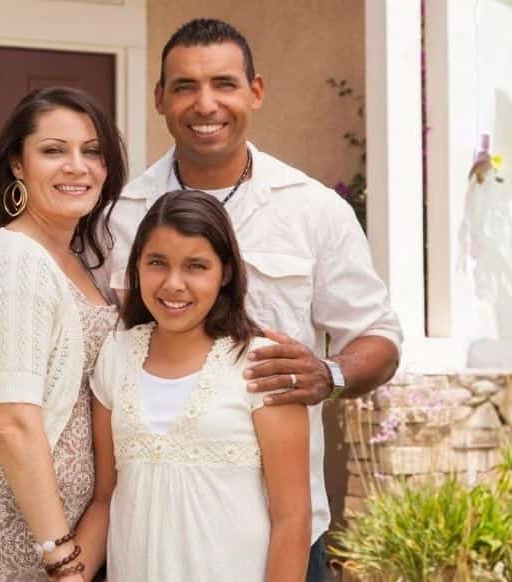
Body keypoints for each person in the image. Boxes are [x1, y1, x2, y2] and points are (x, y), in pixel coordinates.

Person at [88, 18, 405, 579]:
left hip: (287, 529)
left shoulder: (312, 210)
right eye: (185, 86)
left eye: (224, 84)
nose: (205, 104)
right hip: (151, 534)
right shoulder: (121, 216)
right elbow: (89, 352)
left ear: (255, 91)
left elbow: (379, 337)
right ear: (160, 98)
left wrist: (329, 374)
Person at [0, 86, 128, 581]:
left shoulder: (77, 260)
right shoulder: (14, 258)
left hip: (66, 540)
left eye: (92, 151)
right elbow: (13, 424)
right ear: (17, 165)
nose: (77, 167)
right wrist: (61, 558)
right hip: (13, 539)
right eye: (53, 150)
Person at [82, 190, 313, 580]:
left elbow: (292, 519)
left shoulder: (263, 365)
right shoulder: (115, 356)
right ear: (136, 266)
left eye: (196, 266)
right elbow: (105, 500)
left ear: (225, 273)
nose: (174, 284)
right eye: (157, 263)